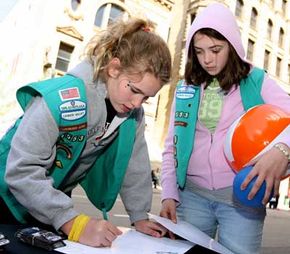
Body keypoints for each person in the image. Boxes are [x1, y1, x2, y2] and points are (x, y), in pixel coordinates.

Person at [0, 17, 172, 248]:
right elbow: (21, 170)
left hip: (51, 197)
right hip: (6, 195)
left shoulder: (133, 112)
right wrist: (73, 222)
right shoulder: (60, 98)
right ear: (113, 68)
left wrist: (139, 216)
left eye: (146, 98)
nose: (137, 103)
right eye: (134, 90)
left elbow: (135, 163)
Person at [160, 3, 290, 254]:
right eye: (199, 51)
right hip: (192, 198)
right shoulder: (186, 87)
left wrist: (282, 149)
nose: (207, 59)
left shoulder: (257, 80)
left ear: (231, 44)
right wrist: (168, 193)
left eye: (215, 49)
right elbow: (171, 145)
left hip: (242, 198)